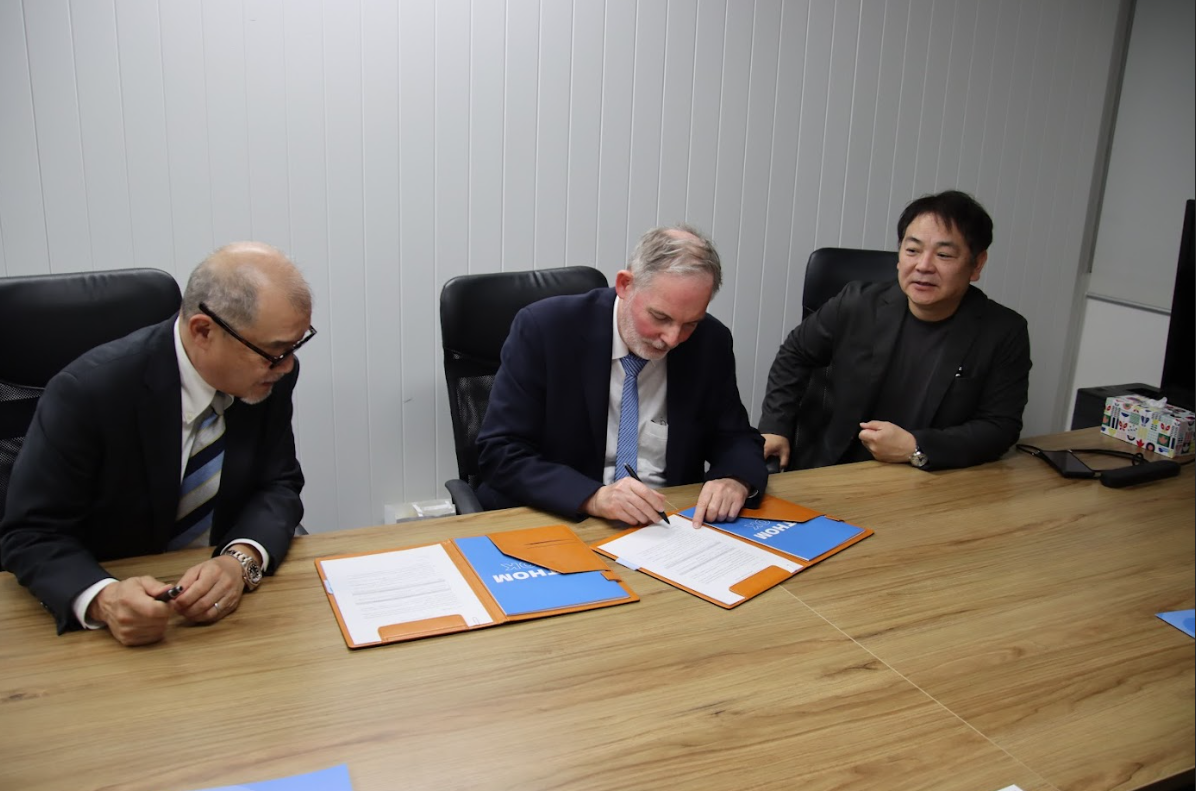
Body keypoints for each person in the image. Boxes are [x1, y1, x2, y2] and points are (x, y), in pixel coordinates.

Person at [0, 242, 313, 645]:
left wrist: (241, 560)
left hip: (228, 623)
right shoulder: (88, 392)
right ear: (203, 330)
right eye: (275, 353)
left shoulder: (269, 375)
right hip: (113, 625)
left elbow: (279, 484)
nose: (287, 365)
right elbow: (30, 533)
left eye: (294, 347)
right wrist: (103, 598)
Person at [476, 224, 767, 529]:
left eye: (689, 323)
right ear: (626, 285)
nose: (672, 338)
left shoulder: (709, 341)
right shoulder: (545, 330)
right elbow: (500, 452)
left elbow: (735, 436)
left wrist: (735, 479)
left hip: (670, 525)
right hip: (568, 518)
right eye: (660, 317)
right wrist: (594, 497)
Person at [758, 190, 1031, 471]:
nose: (923, 266)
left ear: (977, 264)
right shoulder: (856, 303)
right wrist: (775, 426)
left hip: (931, 479)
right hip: (834, 469)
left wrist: (916, 447)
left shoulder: (1003, 331)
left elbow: (1000, 427)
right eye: (912, 250)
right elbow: (795, 354)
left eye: (944, 254)